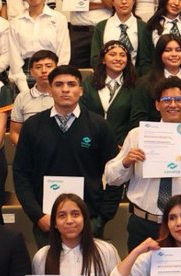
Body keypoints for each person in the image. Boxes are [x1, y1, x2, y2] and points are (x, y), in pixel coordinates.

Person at [104, 77, 181, 249]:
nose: (172, 104)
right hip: (143, 223)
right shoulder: (137, 136)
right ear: (157, 105)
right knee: (141, 275)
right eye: (166, 100)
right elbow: (111, 178)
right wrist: (126, 162)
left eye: (178, 100)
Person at [12, 65, 119, 242]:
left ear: (81, 90)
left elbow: (115, 175)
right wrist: (37, 216)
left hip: (88, 222)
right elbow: (21, 174)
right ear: (50, 89)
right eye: (59, 85)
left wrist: (101, 219)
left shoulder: (99, 125)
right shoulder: (33, 126)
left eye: (71, 84)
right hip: (47, 222)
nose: (65, 89)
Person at [9, 0, 70, 92]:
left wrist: (57, 81)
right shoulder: (15, 23)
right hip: (25, 75)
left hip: (53, 72)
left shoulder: (58, 19)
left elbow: (64, 54)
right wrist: (25, 91)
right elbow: (14, 59)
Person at [81, 41, 139, 147]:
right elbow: (82, 114)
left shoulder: (135, 86)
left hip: (123, 146)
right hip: (89, 143)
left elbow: (135, 121)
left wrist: (125, 144)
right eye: (112, 54)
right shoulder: (88, 84)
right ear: (103, 59)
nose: (118, 59)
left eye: (122, 55)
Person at [8, 50, 56, 143]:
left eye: (49, 66)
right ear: (31, 72)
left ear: (57, 68)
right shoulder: (22, 97)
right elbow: (14, 133)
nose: (44, 71)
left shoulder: (63, 95)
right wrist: (27, 150)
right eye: (38, 67)